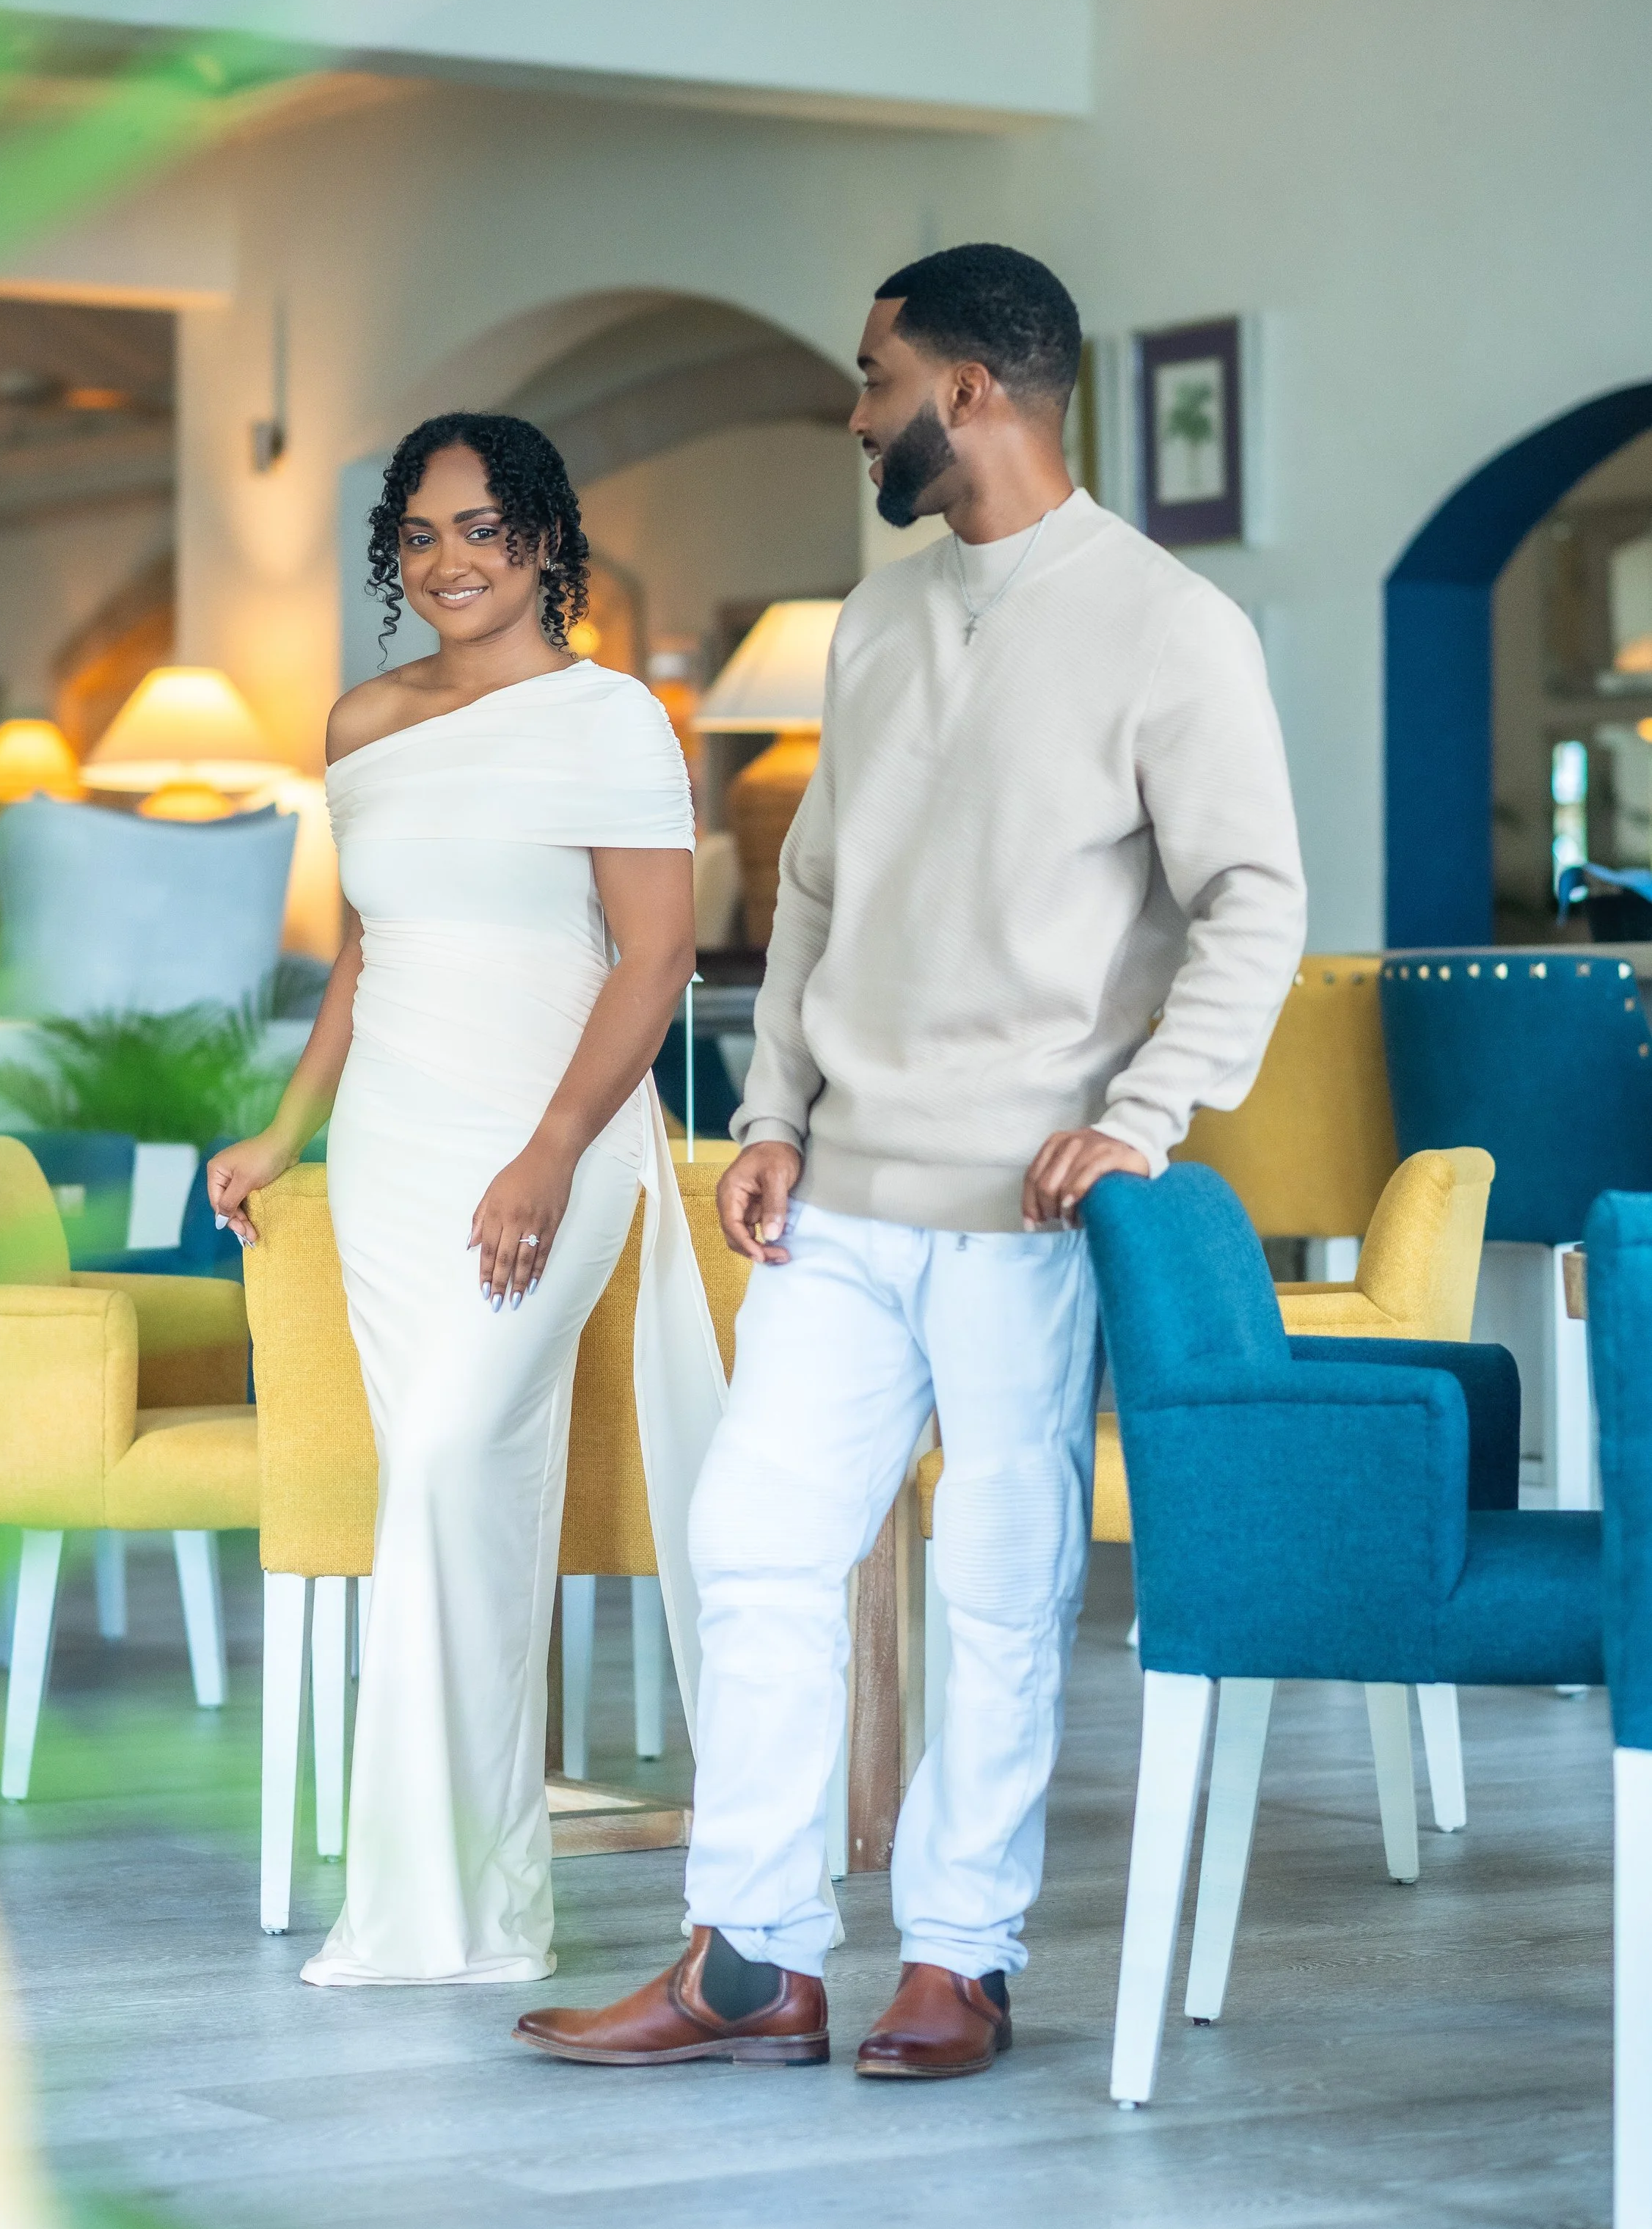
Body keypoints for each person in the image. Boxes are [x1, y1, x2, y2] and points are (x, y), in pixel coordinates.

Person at [515, 243, 1306, 2076]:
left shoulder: (1170, 625)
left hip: (1026, 1205)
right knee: (754, 1546)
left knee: (998, 1581)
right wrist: (770, 1116)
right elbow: (813, 896)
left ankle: (960, 1956)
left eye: (874, 378)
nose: (854, 411)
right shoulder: (872, 623)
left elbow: (1252, 902)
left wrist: (1140, 1116)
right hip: (838, 1197)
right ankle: (749, 1961)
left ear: (967, 391)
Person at [209, 412, 726, 1987]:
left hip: (554, 1140)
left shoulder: (613, 719)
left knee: (445, 1456)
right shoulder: (363, 722)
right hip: (394, 1150)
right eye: (422, 535)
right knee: (443, 1495)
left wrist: (550, 1148)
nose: (451, 562)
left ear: (546, 540)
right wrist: (285, 1131)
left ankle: (453, 1902)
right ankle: (470, 1911)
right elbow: (368, 949)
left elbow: (657, 956)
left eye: (484, 530)